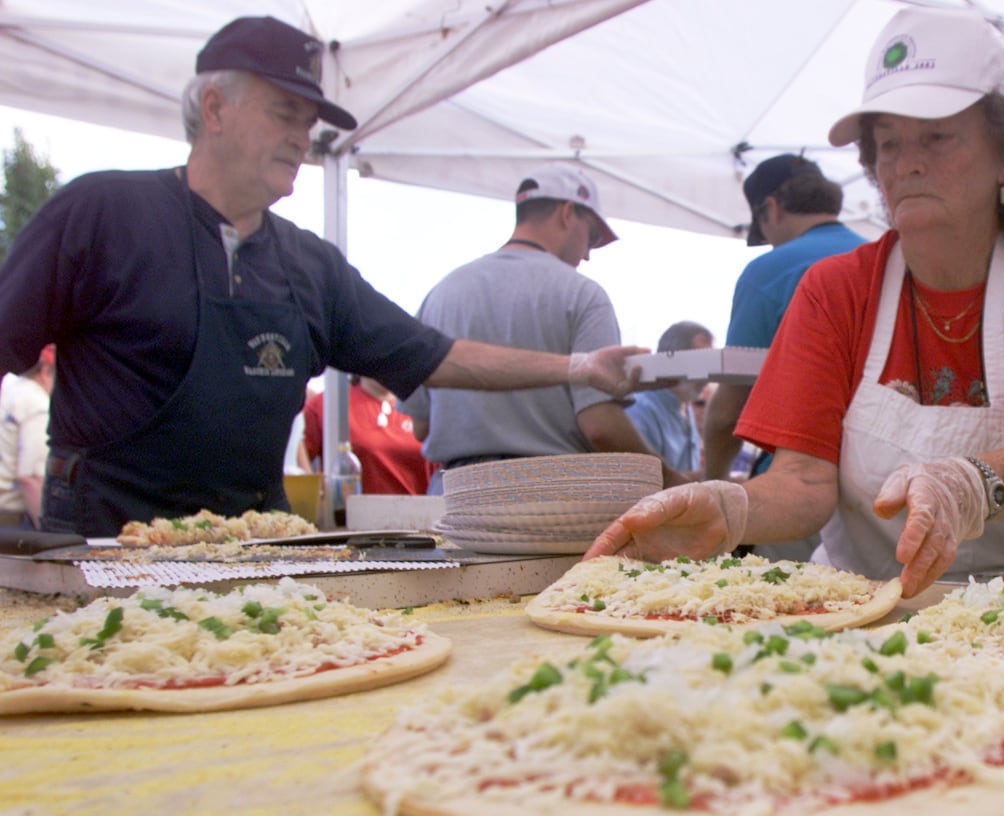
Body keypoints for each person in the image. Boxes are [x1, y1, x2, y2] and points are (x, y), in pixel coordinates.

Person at [0, 16, 641, 538]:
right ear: (215, 108)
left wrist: (579, 369)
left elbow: (438, 356)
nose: (302, 139)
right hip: (106, 545)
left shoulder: (309, 265)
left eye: (308, 124)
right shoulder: (101, 214)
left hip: (252, 552)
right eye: (285, 113)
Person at [587, 7, 1004, 597]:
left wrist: (970, 484)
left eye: (937, 136)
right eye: (887, 143)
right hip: (861, 604)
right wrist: (729, 507)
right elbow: (802, 481)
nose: (905, 162)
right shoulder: (835, 290)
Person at [401, 165, 686, 488]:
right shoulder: (582, 295)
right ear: (567, 214)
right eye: (592, 236)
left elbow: (421, 426)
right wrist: (672, 480)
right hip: (546, 497)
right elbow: (600, 426)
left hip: (450, 495)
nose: (589, 254)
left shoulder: (440, 294)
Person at [701, 154, 866, 482]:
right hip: (884, 484)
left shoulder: (768, 271)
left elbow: (728, 412)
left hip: (798, 484)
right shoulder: (883, 258)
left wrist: (714, 480)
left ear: (771, 208)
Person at [302, 376, 436, 495]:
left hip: (420, 516)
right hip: (348, 518)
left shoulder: (424, 404)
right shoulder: (327, 404)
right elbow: (296, 461)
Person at [627, 321, 714, 476]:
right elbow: (640, 482)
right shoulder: (641, 409)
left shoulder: (684, 405)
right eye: (701, 364)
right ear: (672, 360)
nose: (707, 377)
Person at [0, 344, 55, 527]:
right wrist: (46, 531)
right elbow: (31, 478)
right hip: (8, 518)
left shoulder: (11, 384)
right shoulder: (36, 403)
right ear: (46, 372)